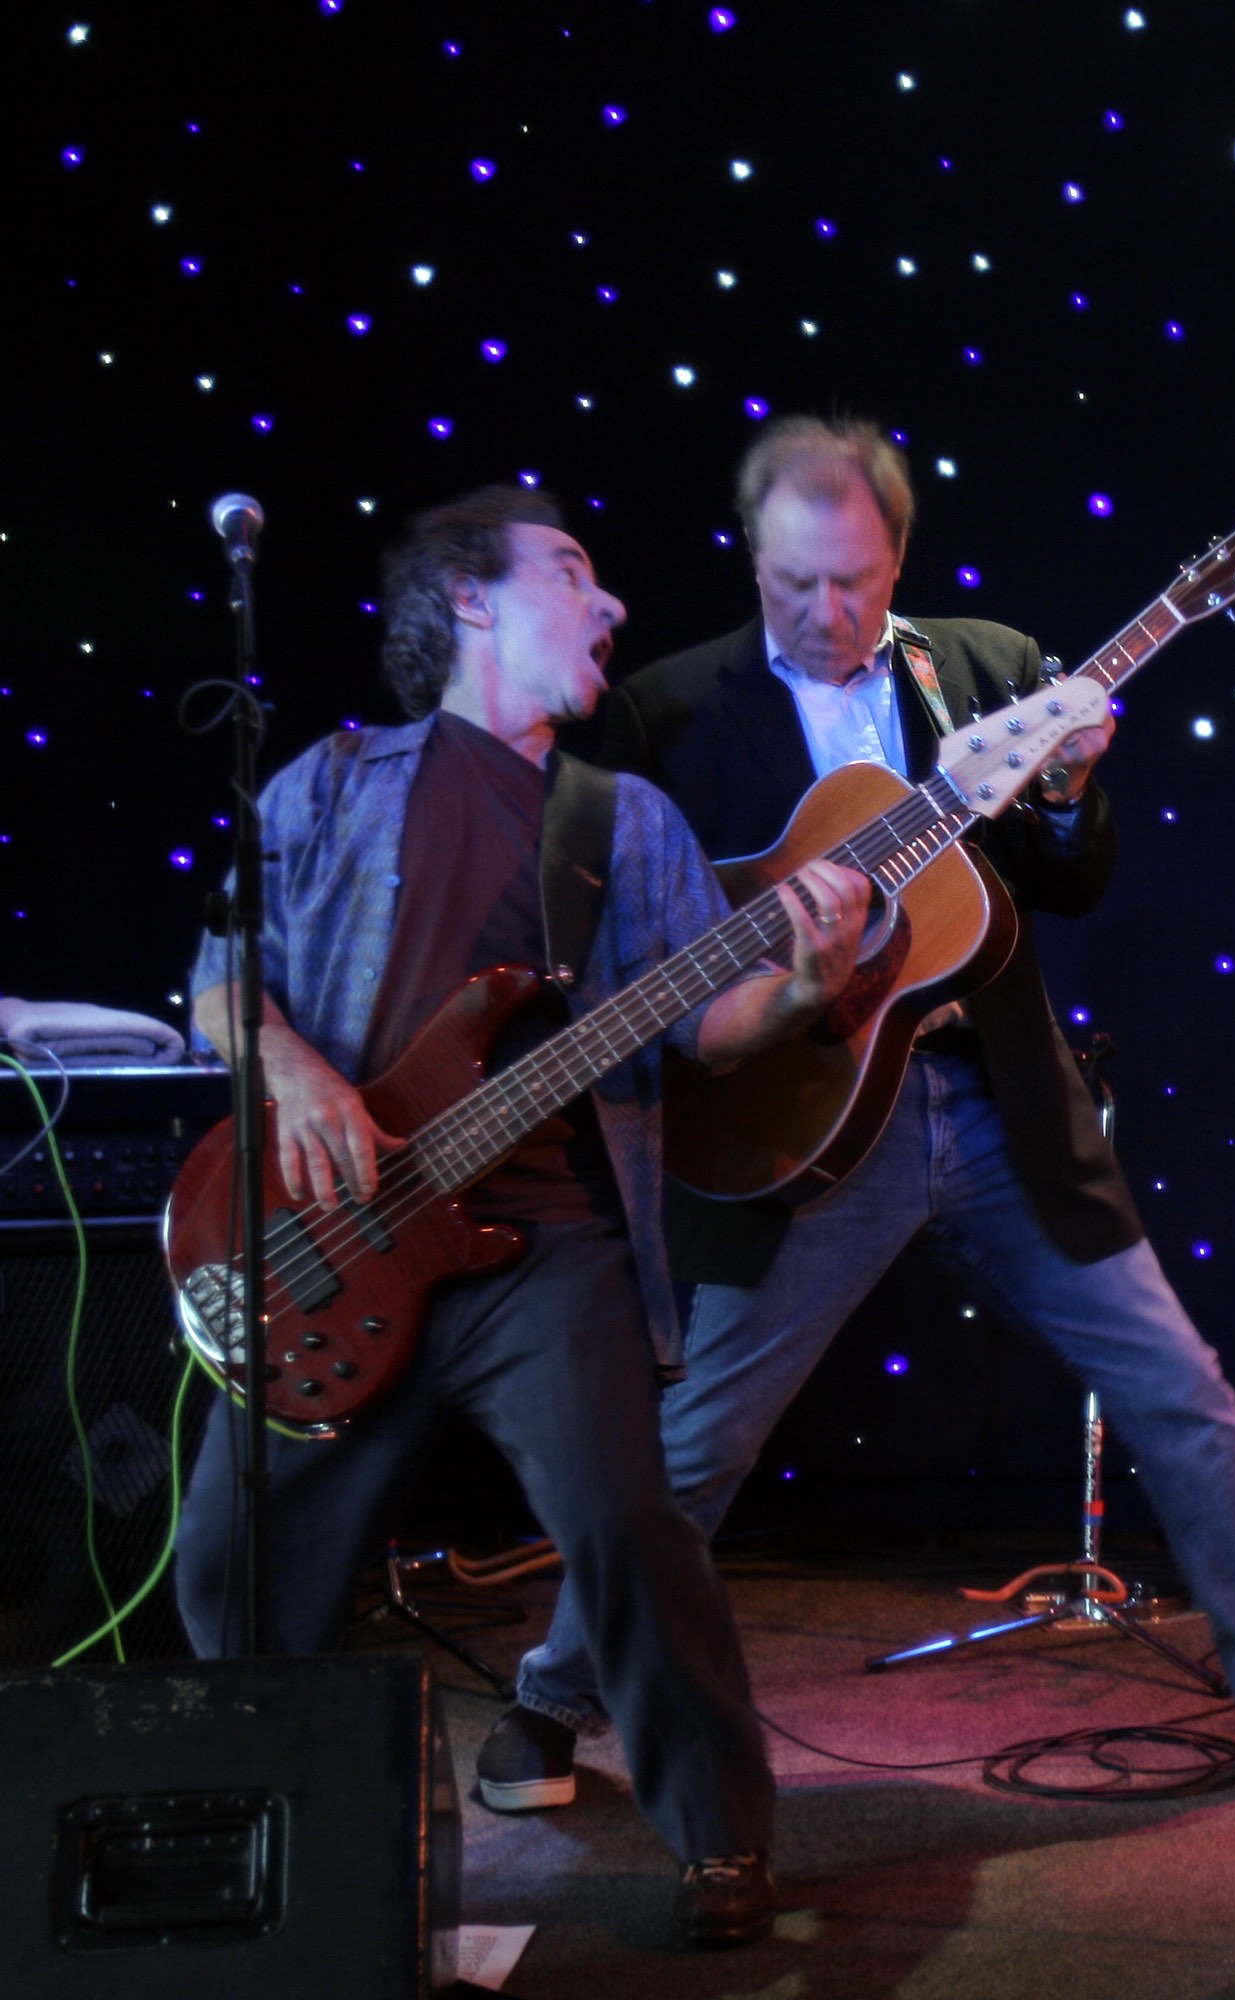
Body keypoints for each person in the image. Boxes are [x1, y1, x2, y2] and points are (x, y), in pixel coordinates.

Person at [482, 416, 1235, 1808]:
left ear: (898, 557)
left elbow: (1070, 880)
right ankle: (552, 1700)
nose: (829, 611)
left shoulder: (981, 669)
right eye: (797, 582)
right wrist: (774, 960)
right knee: (694, 1449)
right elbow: (617, 935)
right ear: (752, 558)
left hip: (994, 1108)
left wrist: (1064, 785)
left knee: (1183, 1391)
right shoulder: (668, 712)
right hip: (799, 1126)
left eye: (857, 580)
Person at [179, 488, 872, 1944]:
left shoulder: (624, 820)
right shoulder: (326, 780)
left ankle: (721, 1838)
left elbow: (710, 1022)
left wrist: (809, 982)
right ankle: (262, 1826)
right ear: (470, 599)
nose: (613, 603)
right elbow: (216, 979)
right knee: (238, 1555)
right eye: (575, 572)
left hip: (543, 1244)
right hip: (332, 1232)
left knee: (631, 1528)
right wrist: (292, 1069)